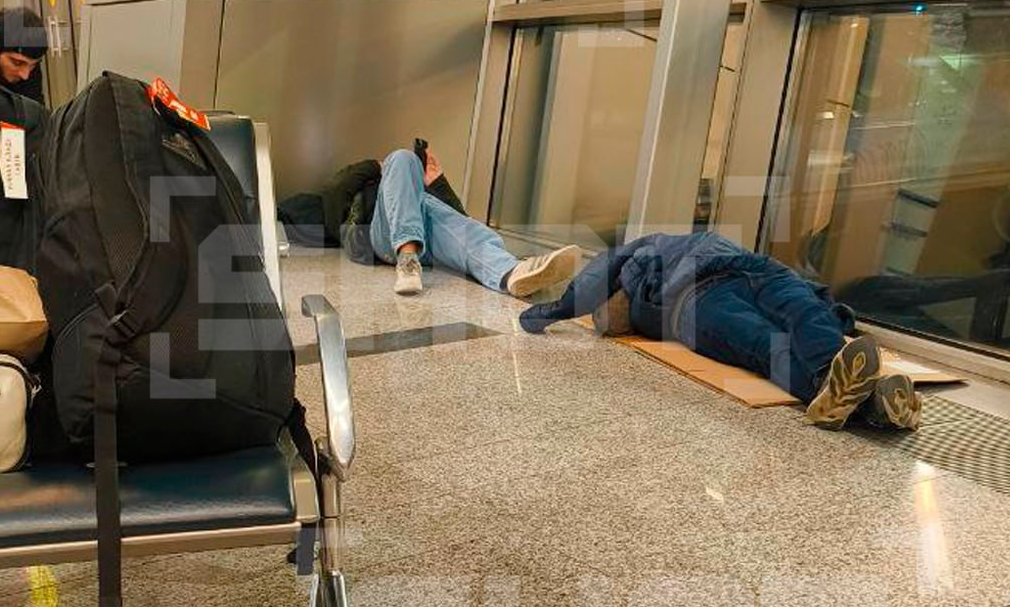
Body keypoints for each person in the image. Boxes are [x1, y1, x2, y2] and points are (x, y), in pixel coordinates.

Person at [520, 232, 922, 431]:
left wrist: (552, 310)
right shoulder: (658, 303)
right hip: (744, 276)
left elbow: (593, 277)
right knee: (795, 318)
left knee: (764, 340)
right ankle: (865, 399)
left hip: (705, 287)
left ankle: (830, 385)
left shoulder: (639, 255)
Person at [370, 147, 581, 298]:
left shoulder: (424, 192)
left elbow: (458, 218)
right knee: (403, 157)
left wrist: (438, 183)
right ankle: (407, 257)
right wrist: (377, 167)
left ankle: (510, 272)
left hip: (427, 244)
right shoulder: (375, 183)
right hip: (387, 238)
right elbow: (346, 189)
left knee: (429, 205)